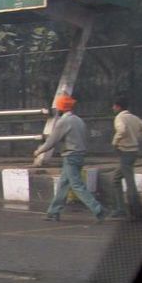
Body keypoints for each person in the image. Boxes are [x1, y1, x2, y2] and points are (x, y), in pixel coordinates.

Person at [34, 94, 106, 223]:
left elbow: (51, 141)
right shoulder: (78, 120)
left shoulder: (63, 122)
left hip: (70, 156)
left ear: (61, 108)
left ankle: (98, 209)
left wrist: (39, 151)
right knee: (63, 184)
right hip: (79, 155)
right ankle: (53, 212)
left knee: (77, 185)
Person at [108, 97, 142, 223]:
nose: (113, 108)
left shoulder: (120, 118)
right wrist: (137, 138)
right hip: (133, 151)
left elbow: (121, 130)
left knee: (130, 182)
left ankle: (136, 213)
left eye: (114, 106)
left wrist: (115, 142)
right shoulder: (133, 117)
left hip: (125, 151)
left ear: (118, 107)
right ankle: (120, 208)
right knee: (116, 178)